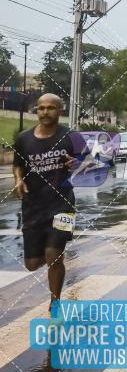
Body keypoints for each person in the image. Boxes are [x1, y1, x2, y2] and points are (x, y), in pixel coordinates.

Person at [12, 93, 77, 315]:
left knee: (53, 256)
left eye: (50, 108)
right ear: (36, 111)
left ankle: (55, 301)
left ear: (60, 111)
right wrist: (19, 180)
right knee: (32, 263)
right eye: (41, 108)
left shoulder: (71, 137)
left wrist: (79, 163)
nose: (45, 112)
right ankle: (52, 262)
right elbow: (18, 165)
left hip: (63, 204)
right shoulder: (24, 139)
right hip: (33, 207)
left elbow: (93, 163)